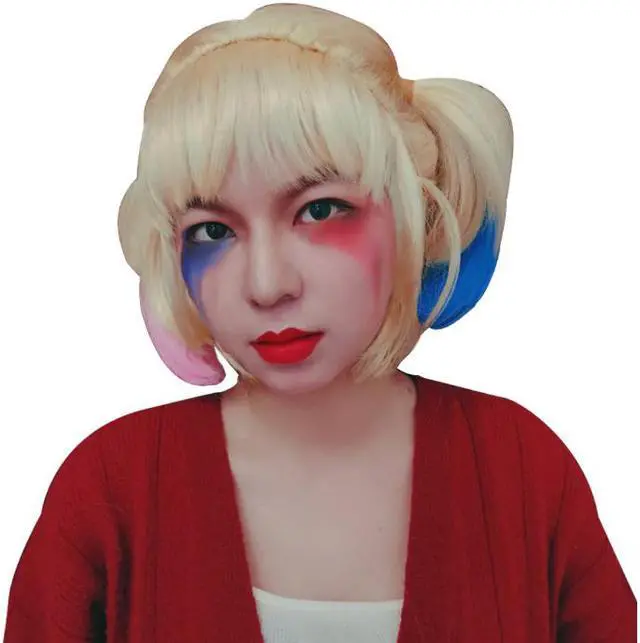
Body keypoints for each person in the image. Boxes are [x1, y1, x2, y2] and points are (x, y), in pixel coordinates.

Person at [3, 3, 635, 642]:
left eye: (321, 209)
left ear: (417, 215)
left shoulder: (522, 469)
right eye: (213, 231)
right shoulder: (110, 485)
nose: (267, 284)